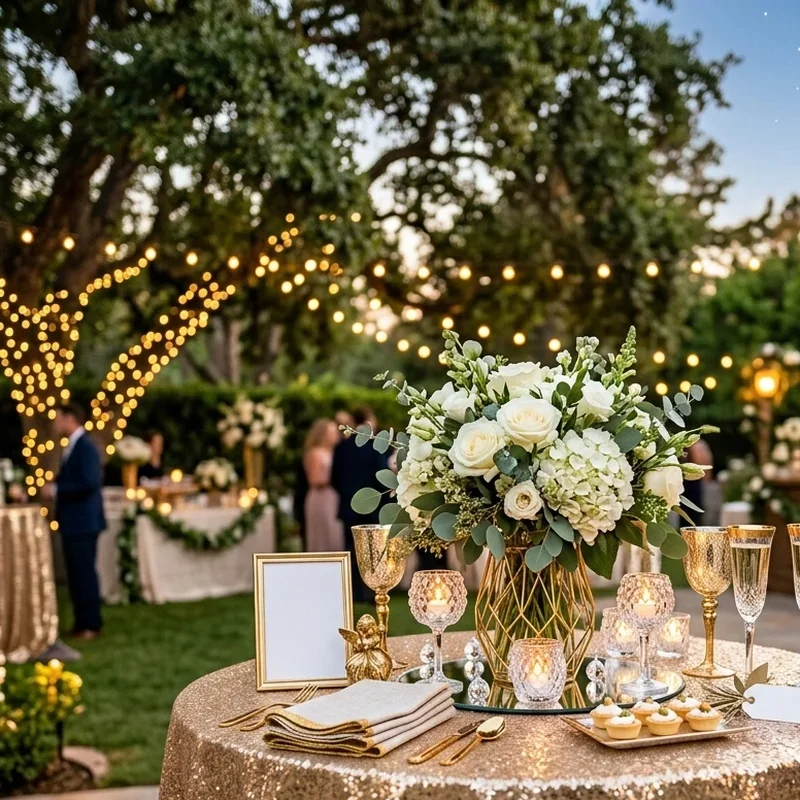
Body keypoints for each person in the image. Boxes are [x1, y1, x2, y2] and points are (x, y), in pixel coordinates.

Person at [47, 403, 106, 639]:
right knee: (76, 574)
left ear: (69, 418)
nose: (55, 424)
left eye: (58, 418)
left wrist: (57, 490)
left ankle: (91, 624)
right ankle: (82, 622)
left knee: (84, 573)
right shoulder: (72, 447)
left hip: (83, 522)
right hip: (75, 522)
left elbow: (89, 483)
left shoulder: (85, 447)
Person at [331, 407, 389, 601]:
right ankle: (375, 592)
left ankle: (354, 592)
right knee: (375, 551)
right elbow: (382, 476)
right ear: (369, 420)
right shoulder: (375, 446)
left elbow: (334, 477)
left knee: (350, 549)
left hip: (348, 506)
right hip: (373, 505)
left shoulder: (341, 447)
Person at [303, 419, 345, 552]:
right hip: (320, 497)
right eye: (332, 432)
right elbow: (314, 479)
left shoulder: (335, 452)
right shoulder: (316, 453)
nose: (336, 435)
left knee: (334, 532)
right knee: (322, 534)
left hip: (331, 496)